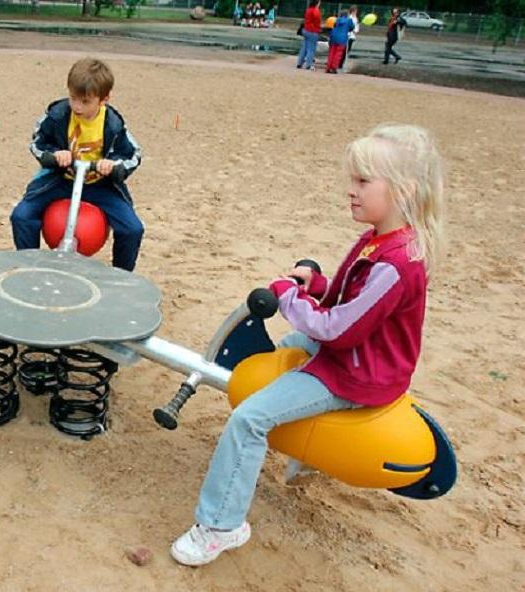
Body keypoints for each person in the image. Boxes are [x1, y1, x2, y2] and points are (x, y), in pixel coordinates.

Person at [171, 124, 445, 566]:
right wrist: (316, 284)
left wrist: (289, 295)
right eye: (351, 180)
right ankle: (308, 451)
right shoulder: (383, 237)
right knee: (292, 342)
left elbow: (337, 330)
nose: (350, 191)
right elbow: (350, 301)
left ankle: (221, 526)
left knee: (249, 419)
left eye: (362, 181)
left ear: (403, 189)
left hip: (356, 374)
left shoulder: (396, 263)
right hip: (360, 359)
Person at [10, 58, 144, 272]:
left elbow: (134, 155)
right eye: (73, 98)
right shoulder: (57, 115)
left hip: (99, 185)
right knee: (22, 216)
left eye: (85, 101)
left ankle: (122, 275)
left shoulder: (113, 124)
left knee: (132, 229)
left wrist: (114, 165)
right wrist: (54, 155)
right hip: (60, 180)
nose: (77, 106)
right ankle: (29, 267)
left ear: (104, 99)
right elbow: (37, 142)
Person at [326, 9, 355, 73]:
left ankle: (328, 67)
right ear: (347, 14)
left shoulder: (337, 19)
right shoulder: (349, 20)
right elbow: (352, 28)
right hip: (342, 38)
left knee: (331, 52)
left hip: (333, 36)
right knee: (338, 53)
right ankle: (334, 67)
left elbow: (334, 26)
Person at [296, 0, 322, 70]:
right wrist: (319, 30)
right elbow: (317, 22)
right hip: (312, 31)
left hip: (305, 30)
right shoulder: (315, 11)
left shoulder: (308, 10)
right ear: (317, 3)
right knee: (311, 49)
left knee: (304, 48)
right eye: (319, 3)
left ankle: (299, 63)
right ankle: (309, 64)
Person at [339, 5, 360, 70]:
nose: (356, 12)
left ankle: (341, 63)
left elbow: (357, 27)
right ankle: (340, 64)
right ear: (352, 11)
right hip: (348, 36)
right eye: (355, 10)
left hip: (352, 37)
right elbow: (349, 26)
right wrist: (352, 29)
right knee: (344, 51)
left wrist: (356, 30)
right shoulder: (349, 18)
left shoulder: (356, 19)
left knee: (347, 51)